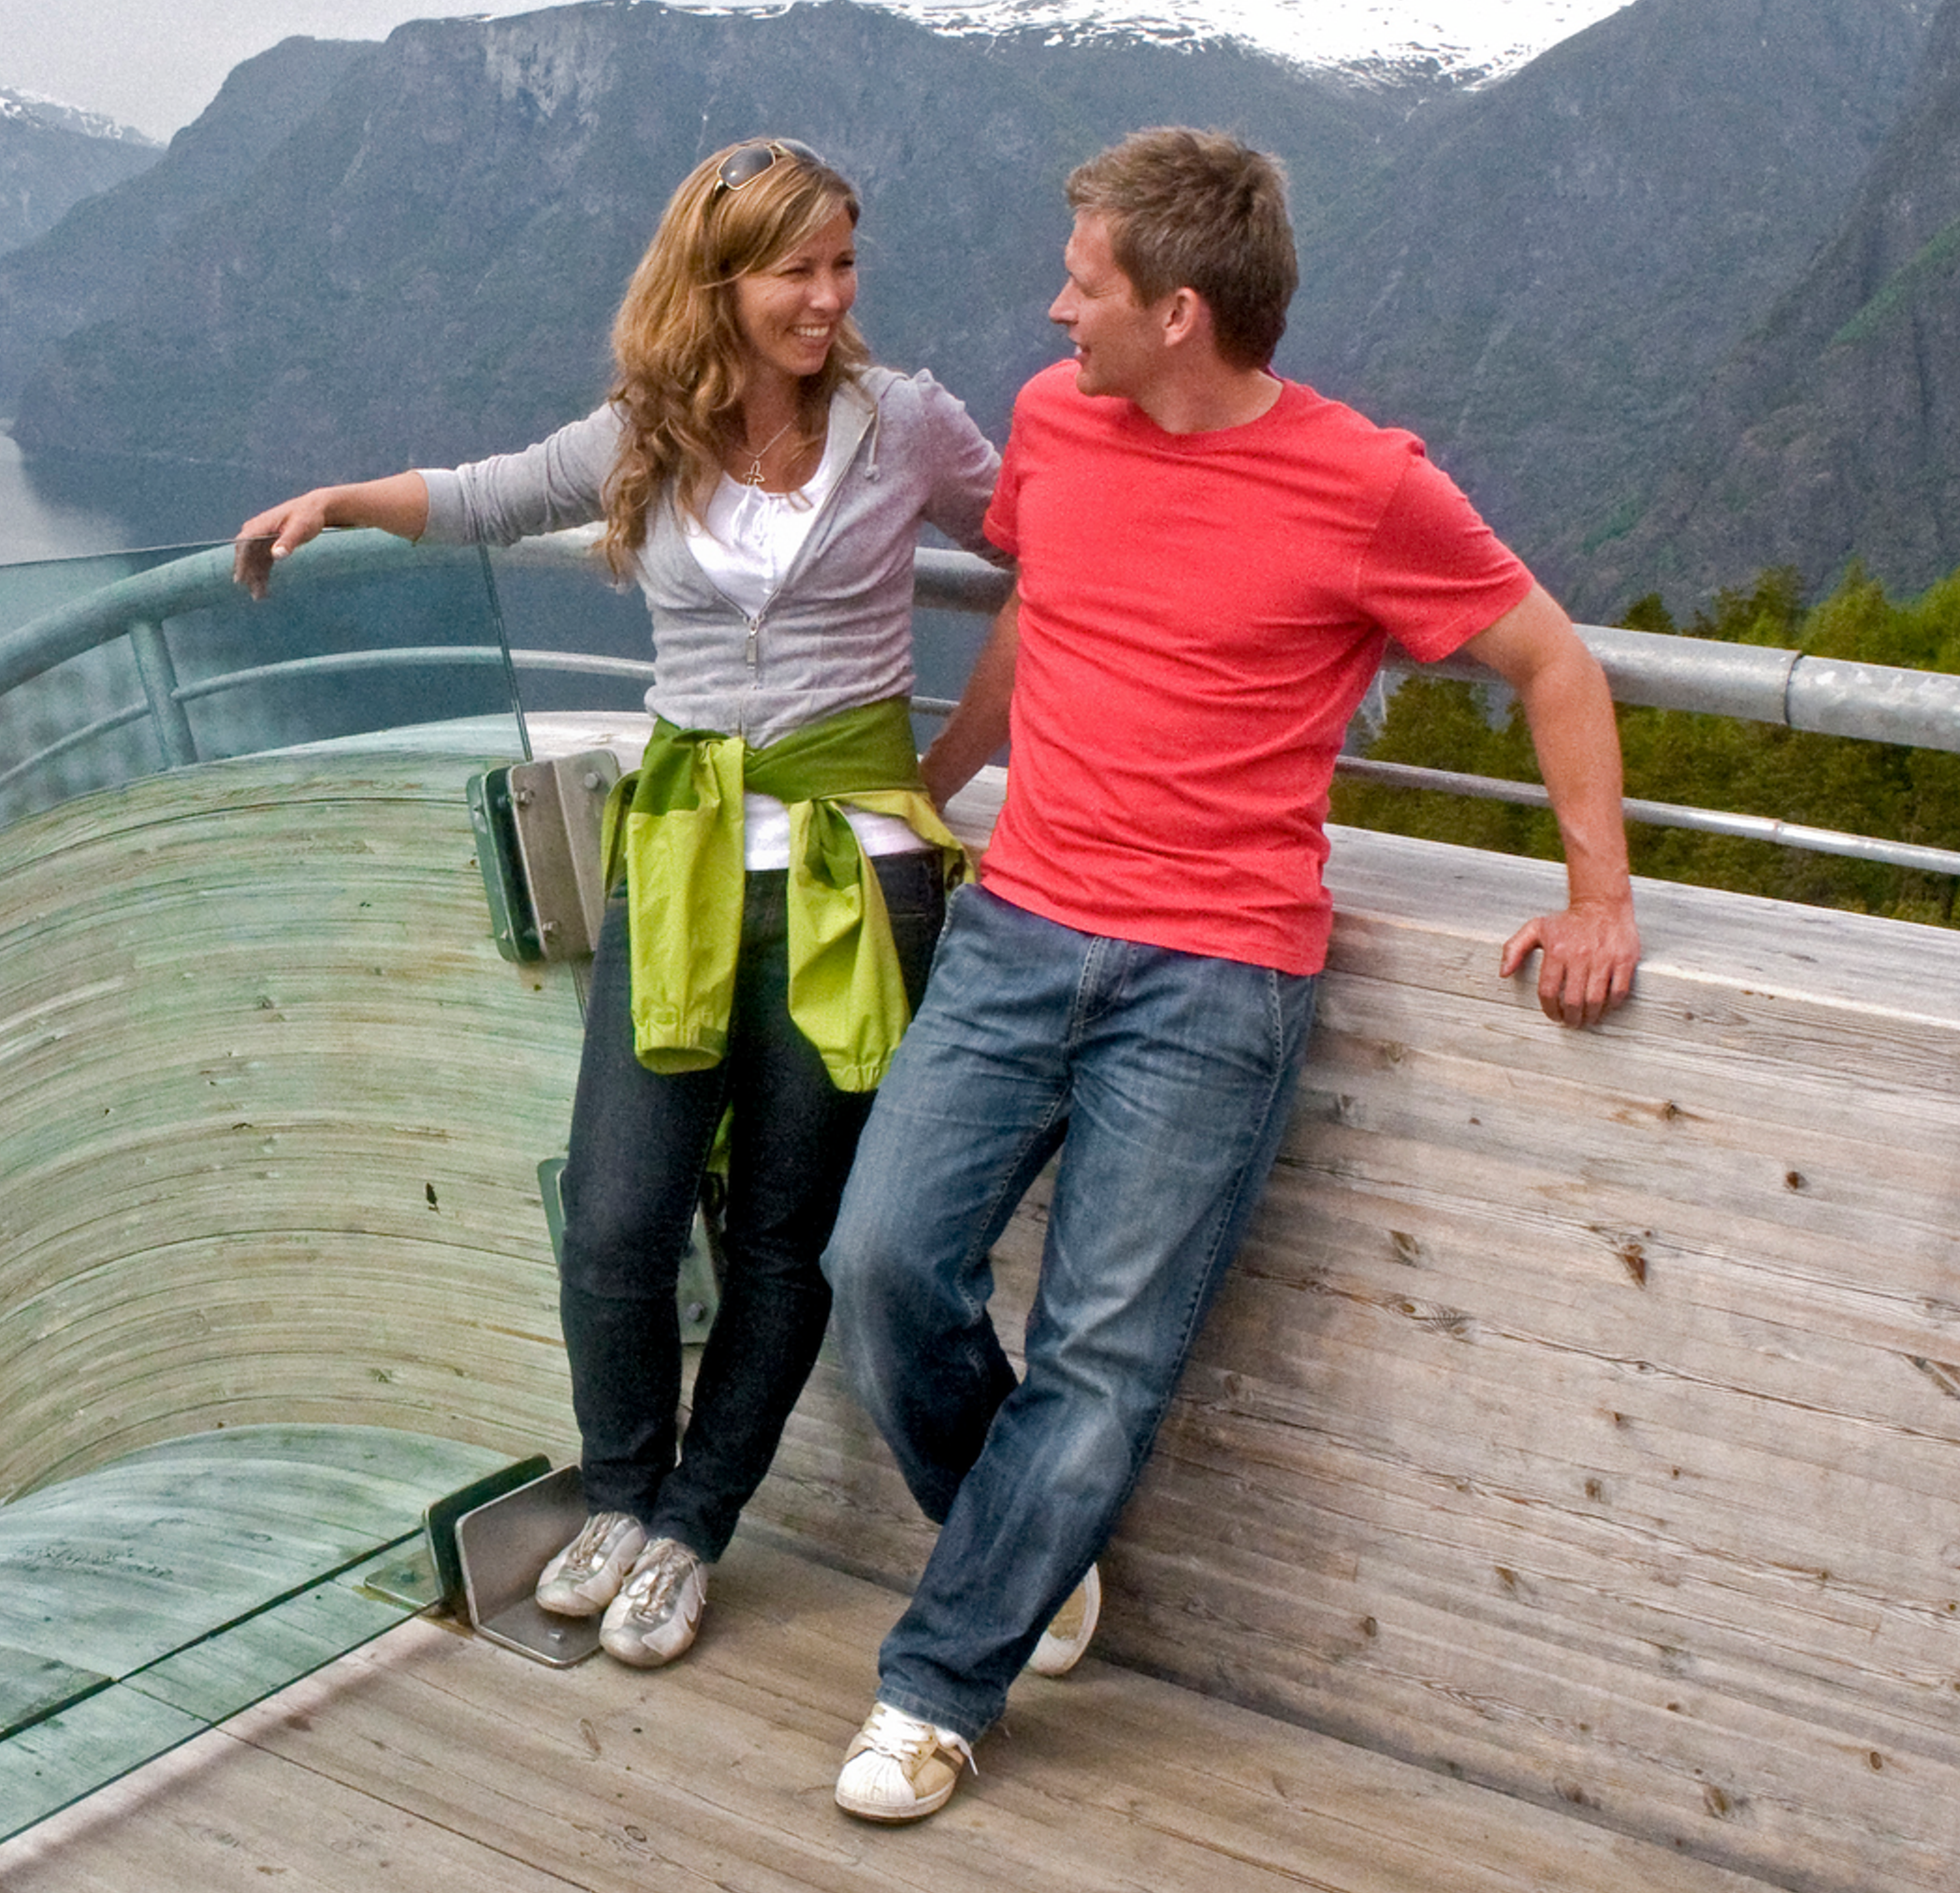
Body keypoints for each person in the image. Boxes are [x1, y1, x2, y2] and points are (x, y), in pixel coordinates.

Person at [820, 126, 1641, 1823]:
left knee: (1103, 1363)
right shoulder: (1057, 426)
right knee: (879, 1259)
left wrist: (1598, 896)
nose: (1055, 314)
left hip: (1215, 983)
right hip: (1019, 927)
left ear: (1181, 313)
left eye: (1085, 285)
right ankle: (1021, 1536)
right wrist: (938, 783)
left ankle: (939, 1683)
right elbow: (1046, 610)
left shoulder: (1368, 484)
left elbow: (1551, 658)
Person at [236, 139, 1001, 1670]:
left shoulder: (906, 424)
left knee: (790, 1237)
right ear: (718, 284)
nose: (829, 298)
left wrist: (951, 759)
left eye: (845, 264)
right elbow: (479, 497)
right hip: (682, 859)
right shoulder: (644, 434)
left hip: (859, 877)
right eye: (799, 270)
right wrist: (336, 500)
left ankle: (692, 1530)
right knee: (616, 1217)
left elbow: (1063, 561)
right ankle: (624, 1490)